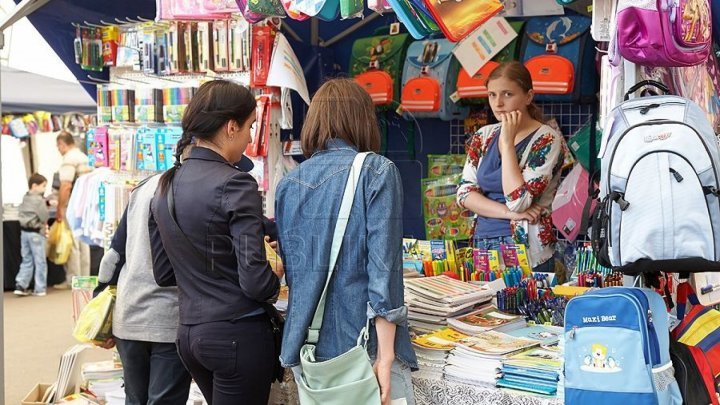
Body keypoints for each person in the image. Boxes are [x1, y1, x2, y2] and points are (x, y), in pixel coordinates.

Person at [275, 78, 418, 405]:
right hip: (361, 347)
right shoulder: (377, 171)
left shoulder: (288, 184)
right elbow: (385, 275)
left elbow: (297, 273)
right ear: (364, 119)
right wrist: (385, 359)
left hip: (307, 348)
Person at [148, 79, 282, 405]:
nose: (251, 137)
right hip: (237, 335)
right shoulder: (236, 183)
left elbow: (164, 273)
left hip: (190, 335)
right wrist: (274, 270)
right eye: (251, 127)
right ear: (231, 126)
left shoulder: (165, 185)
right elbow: (257, 284)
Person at [456, 61, 573, 272]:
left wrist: (508, 144)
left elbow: (518, 201)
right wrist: (509, 214)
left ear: (528, 96)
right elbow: (464, 194)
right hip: (483, 245)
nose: (498, 103)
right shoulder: (483, 136)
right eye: (492, 95)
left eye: (507, 94)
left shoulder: (547, 139)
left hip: (526, 250)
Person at [95, 173, 191, 405]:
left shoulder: (144, 187)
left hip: (129, 317)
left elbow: (113, 256)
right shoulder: (197, 188)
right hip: (169, 320)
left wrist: (100, 303)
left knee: (134, 399)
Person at [56, 131, 91, 288]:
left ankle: (73, 279)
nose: (58, 149)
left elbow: (65, 185)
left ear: (63, 144)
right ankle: (85, 278)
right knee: (84, 241)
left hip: (74, 205)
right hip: (87, 204)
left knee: (73, 243)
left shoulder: (69, 159)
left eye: (58, 146)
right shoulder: (84, 156)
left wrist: (60, 207)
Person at [15, 173, 49, 297]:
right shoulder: (39, 200)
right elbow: (44, 216)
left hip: (24, 233)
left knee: (26, 259)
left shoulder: (25, 197)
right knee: (40, 261)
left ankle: (21, 284)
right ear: (34, 186)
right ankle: (40, 288)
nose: (45, 189)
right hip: (36, 233)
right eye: (43, 186)